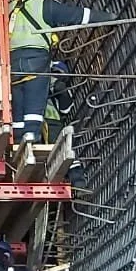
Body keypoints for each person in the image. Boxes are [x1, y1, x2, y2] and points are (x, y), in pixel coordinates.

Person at [8, 0, 113, 144]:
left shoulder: (10, 7)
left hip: (13, 63)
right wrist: (108, 18)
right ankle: (31, 134)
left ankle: (18, 138)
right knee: (35, 97)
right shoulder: (45, 6)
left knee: (18, 100)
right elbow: (79, 16)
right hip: (36, 59)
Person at [43, 60, 85, 191]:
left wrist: (60, 90)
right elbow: (65, 109)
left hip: (50, 121)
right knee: (60, 147)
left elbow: (65, 109)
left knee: (62, 147)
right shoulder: (45, 83)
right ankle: (76, 181)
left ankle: (77, 181)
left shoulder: (56, 86)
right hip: (46, 120)